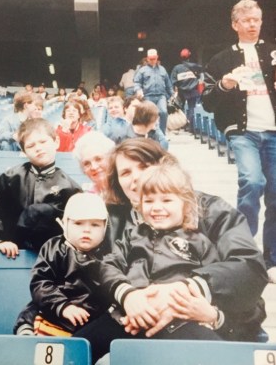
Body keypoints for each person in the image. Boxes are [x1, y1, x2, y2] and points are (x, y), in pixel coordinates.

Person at [72, 138, 267, 363]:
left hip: (197, 321)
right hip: (131, 321)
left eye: (144, 166)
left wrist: (185, 294)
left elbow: (248, 267)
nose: (136, 177)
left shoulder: (210, 210)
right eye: (125, 173)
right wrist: (130, 297)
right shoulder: (112, 220)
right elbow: (98, 270)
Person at [202, 0, 276, 283]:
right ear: (235, 25)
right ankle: (242, 249)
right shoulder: (221, 59)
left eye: (256, 19)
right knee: (252, 181)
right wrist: (224, 85)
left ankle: (271, 259)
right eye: (246, 20)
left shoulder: (272, 53)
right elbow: (207, 102)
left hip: (273, 132)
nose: (252, 25)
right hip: (243, 132)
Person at [0, 117, 81, 258]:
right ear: (24, 151)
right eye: (31, 146)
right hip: (12, 252)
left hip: (53, 256)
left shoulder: (69, 186)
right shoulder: (11, 177)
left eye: (43, 142)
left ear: (56, 142)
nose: (38, 148)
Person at [30, 193, 114, 336]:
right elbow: (40, 283)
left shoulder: (109, 256)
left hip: (90, 326)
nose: (87, 230)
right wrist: (63, 306)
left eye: (95, 224)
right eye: (78, 223)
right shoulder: (54, 248)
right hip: (55, 318)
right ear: (65, 223)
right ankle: (26, 329)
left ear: (105, 228)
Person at [134, 48, 174, 135]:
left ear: (157, 57)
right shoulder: (142, 70)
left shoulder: (162, 69)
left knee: (163, 112)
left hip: (161, 96)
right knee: (149, 115)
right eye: (150, 59)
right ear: (147, 58)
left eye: (154, 59)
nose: (152, 61)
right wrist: (138, 90)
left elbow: (168, 83)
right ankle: (148, 133)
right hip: (148, 96)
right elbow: (137, 82)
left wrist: (172, 94)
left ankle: (162, 134)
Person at [73, 131, 115, 196]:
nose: (94, 167)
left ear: (111, 159)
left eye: (98, 159)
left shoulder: (126, 190)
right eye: (87, 163)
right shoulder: (87, 198)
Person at [170, 48, 204, 128]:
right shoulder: (196, 67)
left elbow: (173, 81)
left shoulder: (176, 68)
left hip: (182, 92)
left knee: (180, 108)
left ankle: (181, 125)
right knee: (191, 108)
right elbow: (201, 77)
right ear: (189, 56)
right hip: (193, 91)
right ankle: (190, 126)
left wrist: (175, 91)